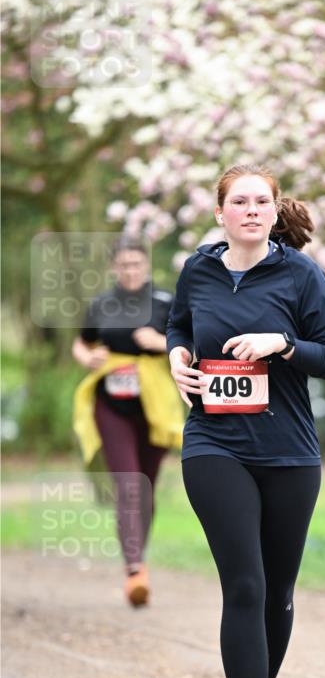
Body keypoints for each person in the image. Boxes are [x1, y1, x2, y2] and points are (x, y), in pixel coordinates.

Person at [167, 163, 325, 678]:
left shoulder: (301, 275)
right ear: (220, 214)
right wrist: (176, 357)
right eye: (238, 201)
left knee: (278, 590)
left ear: (273, 211)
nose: (250, 210)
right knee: (244, 582)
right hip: (214, 443)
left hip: (290, 452)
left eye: (260, 201)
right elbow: (180, 324)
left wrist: (281, 344)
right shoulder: (199, 270)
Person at [72, 237, 182, 607]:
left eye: (136, 264)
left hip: (156, 407)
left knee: (146, 489)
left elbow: (191, 347)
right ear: (114, 268)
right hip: (111, 405)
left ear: (146, 265)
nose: (130, 271)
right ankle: (134, 569)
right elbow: (82, 342)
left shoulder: (167, 302)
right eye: (124, 266)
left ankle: (139, 557)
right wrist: (85, 358)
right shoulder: (102, 304)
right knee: (129, 486)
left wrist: (160, 342)